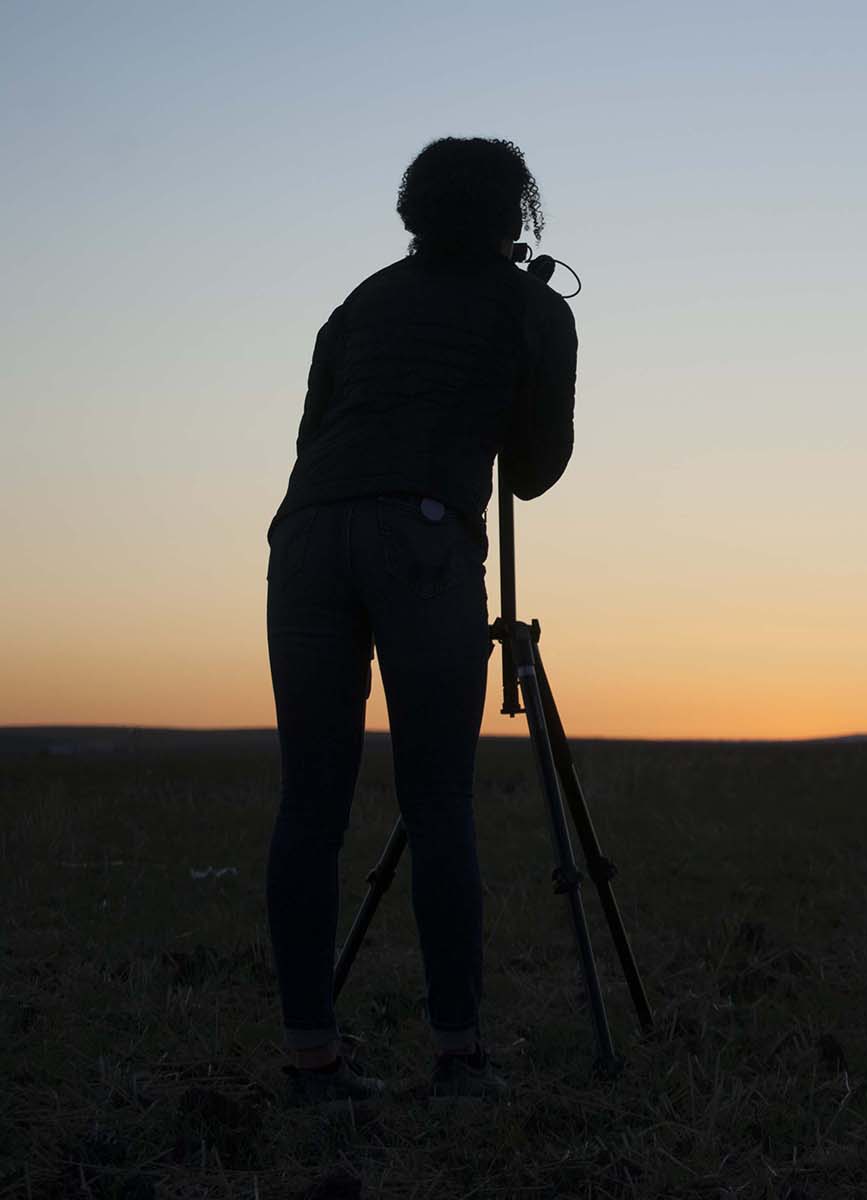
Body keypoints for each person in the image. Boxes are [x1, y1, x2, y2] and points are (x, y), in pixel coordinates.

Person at [264, 136, 576, 1106]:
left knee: (309, 805)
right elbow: (534, 468)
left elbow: (316, 436)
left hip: (306, 537)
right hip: (424, 537)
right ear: (514, 213)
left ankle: (313, 1059)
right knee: (437, 802)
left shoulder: (358, 303)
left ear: (413, 208)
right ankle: (458, 1057)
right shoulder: (530, 305)